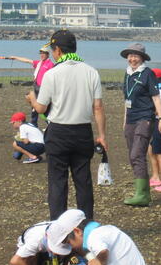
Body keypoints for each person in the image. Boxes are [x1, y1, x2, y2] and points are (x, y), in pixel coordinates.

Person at [27, 29, 107, 220]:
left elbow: (41, 108)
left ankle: (58, 225)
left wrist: (31, 98)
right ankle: (86, 223)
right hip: (83, 131)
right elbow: (98, 107)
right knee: (83, 180)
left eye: (53, 50)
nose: (53, 54)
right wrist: (102, 135)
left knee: (57, 181)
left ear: (58, 50)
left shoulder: (52, 73)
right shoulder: (91, 71)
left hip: (58, 131)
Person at [120, 43, 161, 207]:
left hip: (145, 118)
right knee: (133, 156)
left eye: (135, 56)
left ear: (142, 58)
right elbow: (127, 99)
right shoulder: (127, 74)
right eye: (130, 56)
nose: (132, 59)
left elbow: (156, 98)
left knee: (137, 154)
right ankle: (144, 193)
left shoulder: (148, 74)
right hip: (131, 119)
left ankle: (141, 195)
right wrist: (125, 120)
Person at [8, 44, 54, 126]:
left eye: (44, 53)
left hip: (44, 89)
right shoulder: (39, 63)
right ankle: (34, 123)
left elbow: (53, 77)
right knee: (31, 101)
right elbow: (27, 61)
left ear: (48, 54)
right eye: (41, 53)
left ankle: (48, 123)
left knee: (43, 108)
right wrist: (15, 58)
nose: (42, 55)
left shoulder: (50, 64)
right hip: (36, 87)